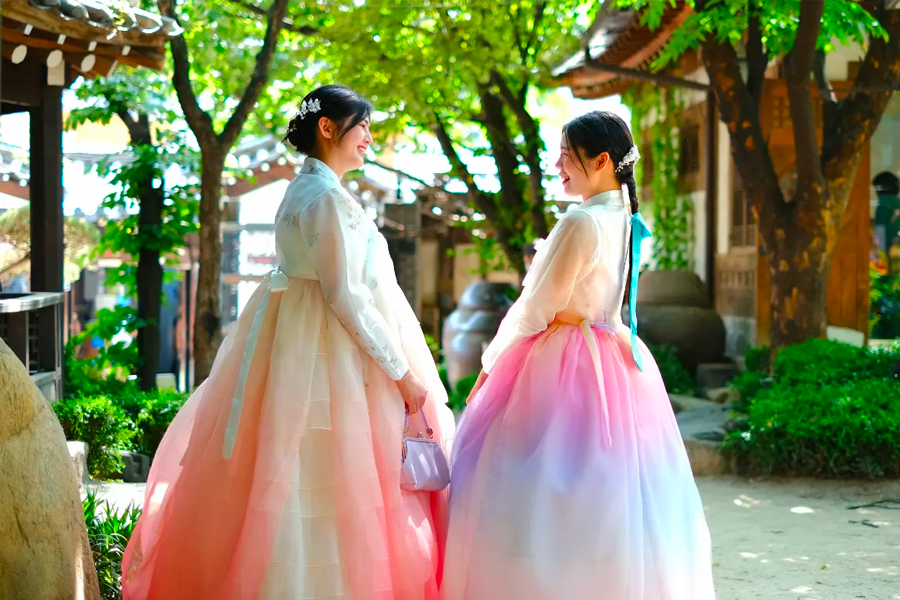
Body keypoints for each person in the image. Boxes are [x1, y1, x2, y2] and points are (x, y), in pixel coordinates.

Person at [122, 84, 455, 600]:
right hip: (328, 356)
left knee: (307, 477)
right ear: (328, 128)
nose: (369, 136)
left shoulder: (314, 189)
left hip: (306, 344)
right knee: (320, 475)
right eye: (361, 125)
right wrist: (403, 374)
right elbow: (345, 295)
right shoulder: (321, 197)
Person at [442, 111, 716, 600]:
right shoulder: (629, 221)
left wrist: (488, 368)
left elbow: (534, 310)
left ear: (603, 160)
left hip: (560, 360)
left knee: (526, 490)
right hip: (615, 363)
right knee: (613, 496)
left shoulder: (582, 221)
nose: (558, 165)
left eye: (567, 156)